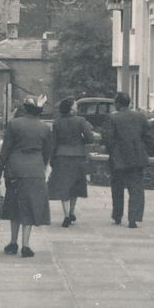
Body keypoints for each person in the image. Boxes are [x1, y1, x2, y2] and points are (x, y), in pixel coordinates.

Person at [0, 99, 54, 257]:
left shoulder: (14, 124)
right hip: (35, 171)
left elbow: (5, 150)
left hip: (15, 170)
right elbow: (48, 152)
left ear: (25, 108)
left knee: (15, 206)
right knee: (30, 206)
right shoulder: (45, 128)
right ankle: (26, 245)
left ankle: (13, 242)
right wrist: (42, 166)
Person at [102, 91, 150, 228]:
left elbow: (108, 138)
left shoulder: (111, 118)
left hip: (118, 159)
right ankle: (133, 219)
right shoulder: (140, 116)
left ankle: (117, 216)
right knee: (136, 189)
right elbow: (147, 135)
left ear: (117, 103)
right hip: (136, 157)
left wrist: (112, 152)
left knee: (117, 188)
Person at [48, 97, 97, 228]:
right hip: (77, 156)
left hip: (61, 156)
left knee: (64, 186)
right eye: (75, 105)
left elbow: (54, 143)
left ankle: (66, 215)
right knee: (75, 186)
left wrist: (52, 159)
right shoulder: (80, 121)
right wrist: (81, 141)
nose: (76, 107)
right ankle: (71, 212)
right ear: (70, 108)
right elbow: (90, 138)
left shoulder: (57, 122)